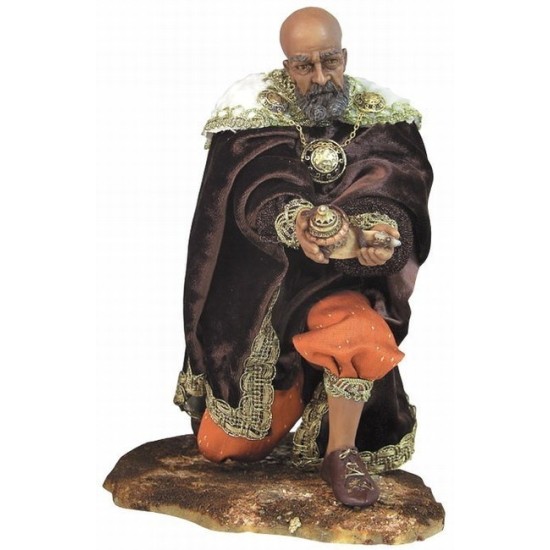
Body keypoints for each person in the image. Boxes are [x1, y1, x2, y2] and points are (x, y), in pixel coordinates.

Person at [174, 6, 432, 508]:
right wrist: (296, 220)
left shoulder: (383, 117)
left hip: (337, 285)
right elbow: (252, 185)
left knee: (358, 333)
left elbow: (397, 185)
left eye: (329, 61)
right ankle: (292, 394)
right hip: (266, 294)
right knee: (222, 449)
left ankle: (341, 451)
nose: (319, 77)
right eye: (303, 65)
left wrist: (373, 233)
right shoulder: (253, 111)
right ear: (286, 65)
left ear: (345, 56)